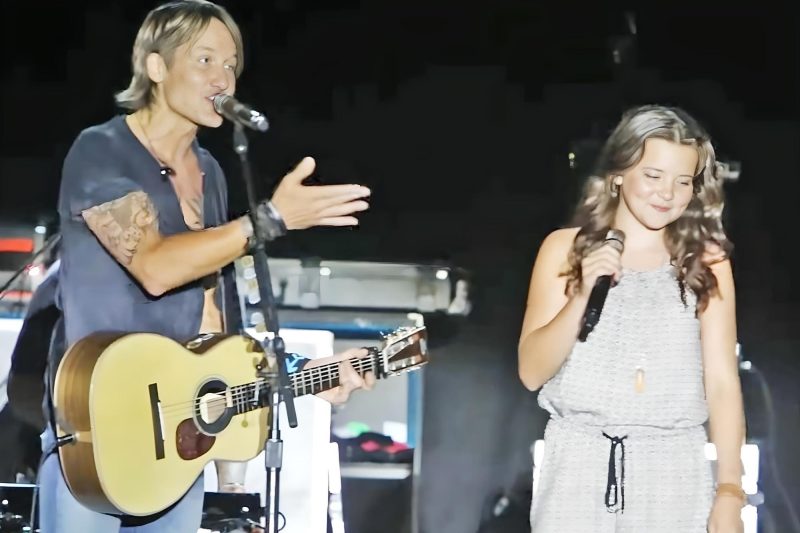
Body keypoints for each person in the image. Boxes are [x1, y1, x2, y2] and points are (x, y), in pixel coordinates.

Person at [39, 1, 376, 531]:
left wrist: (297, 378)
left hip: (175, 437)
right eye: (205, 60)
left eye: (232, 64)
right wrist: (267, 220)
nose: (224, 77)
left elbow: (212, 316)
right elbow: (153, 266)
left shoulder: (212, 173)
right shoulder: (102, 150)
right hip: (97, 426)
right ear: (155, 67)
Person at [518, 105, 746, 532]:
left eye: (683, 181)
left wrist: (730, 491)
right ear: (619, 174)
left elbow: (721, 381)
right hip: (576, 466)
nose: (667, 193)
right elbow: (531, 372)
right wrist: (583, 292)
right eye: (653, 176)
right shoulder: (564, 249)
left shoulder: (707, 261)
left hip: (673, 467)